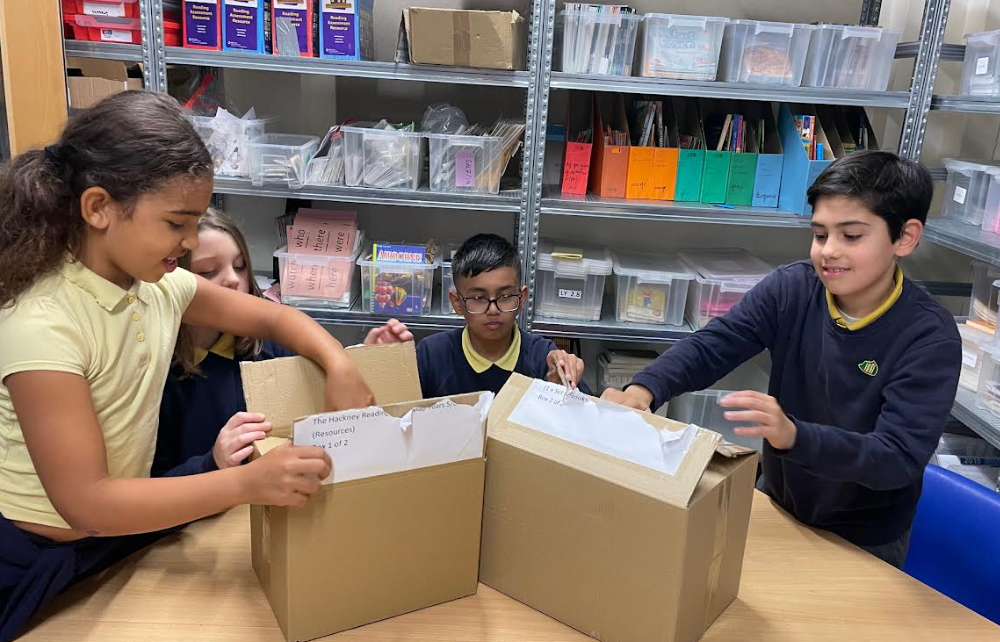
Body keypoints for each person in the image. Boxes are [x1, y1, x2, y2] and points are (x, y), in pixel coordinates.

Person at [0, 91, 374, 640]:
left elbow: (274, 318)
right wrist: (246, 482)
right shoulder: (43, 324)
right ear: (98, 207)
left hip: (115, 540)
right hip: (34, 556)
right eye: (178, 222)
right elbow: (87, 502)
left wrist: (338, 362)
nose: (191, 241)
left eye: (196, 221)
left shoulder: (159, 285)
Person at [602, 151, 961, 568]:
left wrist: (794, 436)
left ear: (906, 237)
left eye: (851, 236)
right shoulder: (792, 288)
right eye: (820, 235)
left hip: (865, 536)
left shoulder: (929, 337)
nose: (829, 251)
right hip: (779, 501)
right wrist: (644, 389)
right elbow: (716, 343)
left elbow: (896, 458)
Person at [381, 233, 587, 398]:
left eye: (505, 296)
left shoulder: (543, 358)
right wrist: (384, 365)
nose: (493, 310)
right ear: (457, 303)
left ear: (522, 299)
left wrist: (560, 385)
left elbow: (586, 416)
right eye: (478, 298)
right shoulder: (432, 355)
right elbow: (396, 415)